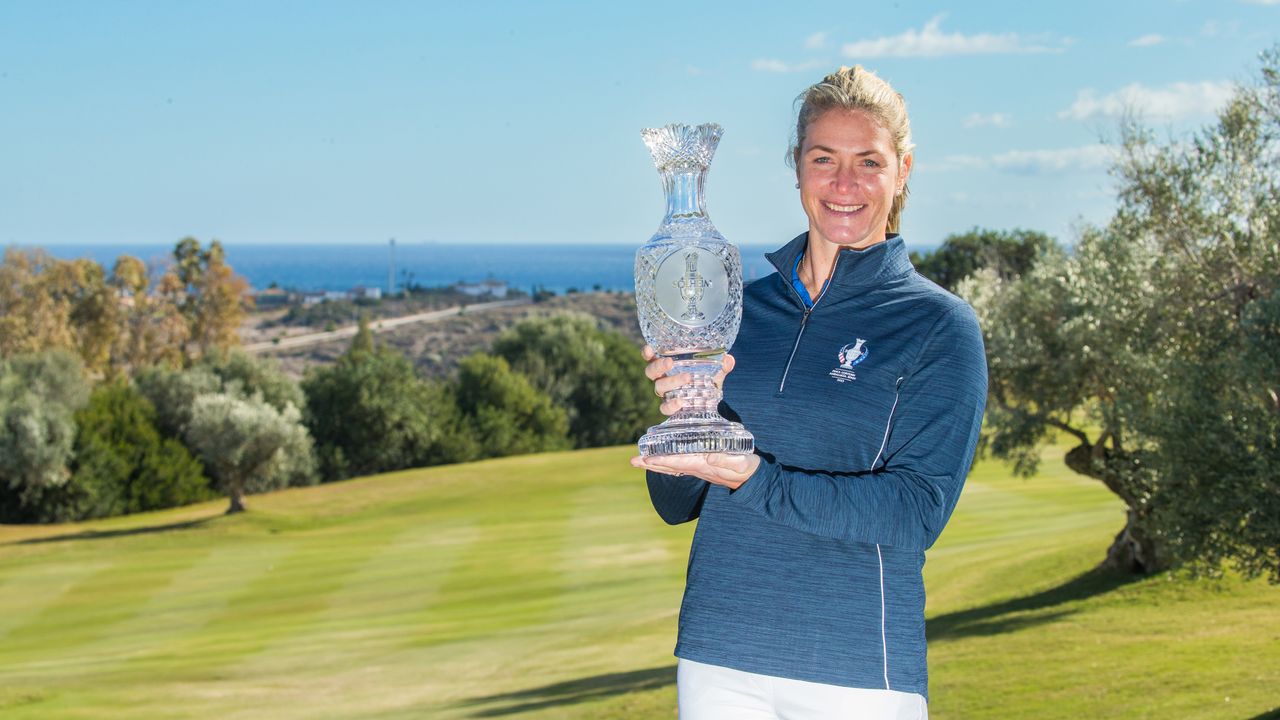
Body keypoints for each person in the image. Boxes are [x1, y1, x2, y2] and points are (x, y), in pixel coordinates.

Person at [631, 65, 988, 719]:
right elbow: (676, 502)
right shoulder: (735, 308)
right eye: (824, 159)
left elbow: (915, 512)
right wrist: (687, 415)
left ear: (903, 170)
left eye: (868, 162)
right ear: (797, 166)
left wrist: (752, 476)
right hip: (718, 657)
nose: (844, 184)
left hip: (856, 671)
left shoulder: (939, 325)